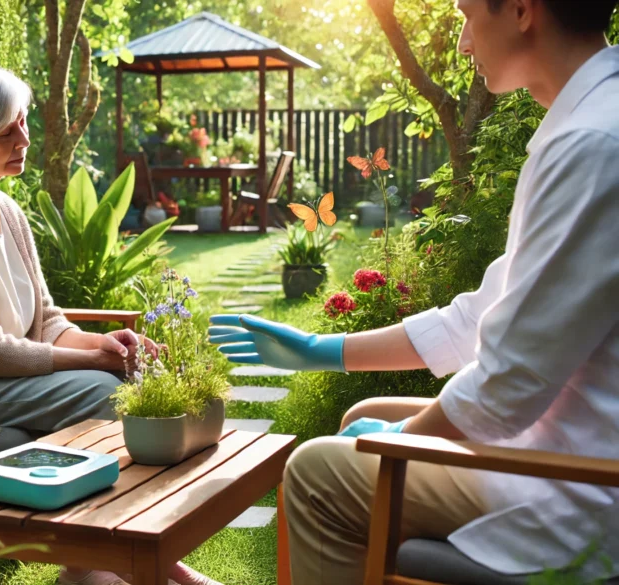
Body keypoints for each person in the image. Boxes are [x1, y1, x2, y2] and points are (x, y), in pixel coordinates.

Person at [209, 0, 619, 583]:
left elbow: (510, 386)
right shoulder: (589, 121)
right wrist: (318, 349)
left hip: (579, 487)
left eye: (467, 16)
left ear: (523, 10)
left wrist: (403, 438)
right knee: (365, 414)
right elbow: (481, 317)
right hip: (563, 445)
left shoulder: (593, 143)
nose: (463, 45)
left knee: (317, 473)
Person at [0, 62, 217, 585]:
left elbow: (47, 321)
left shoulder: (5, 208)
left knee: (128, 380)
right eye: (6, 128)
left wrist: (106, 340)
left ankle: (87, 568)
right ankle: (132, 566)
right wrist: (101, 359)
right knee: (105, 391)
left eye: (24, 121)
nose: (25, 137)